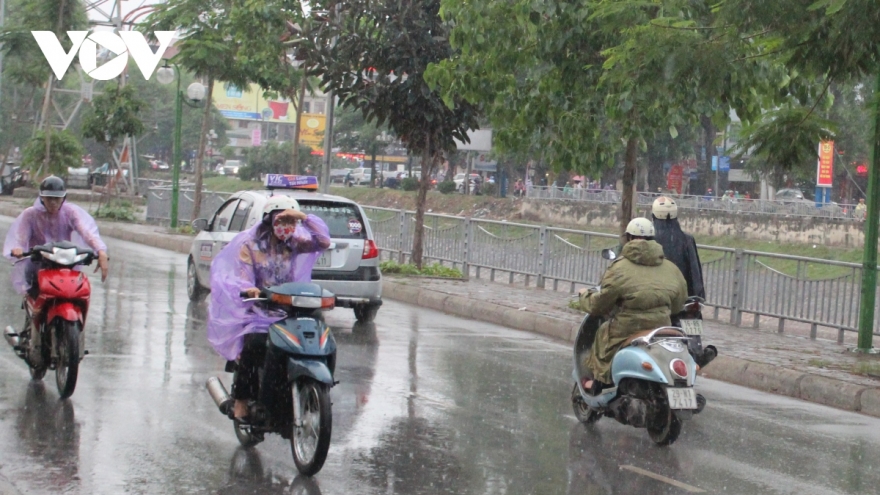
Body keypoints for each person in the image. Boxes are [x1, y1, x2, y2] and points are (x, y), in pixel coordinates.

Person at [207, 195, 331, 421]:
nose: (287, 227)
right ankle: (242, 402)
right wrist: (251, 290)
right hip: (259, 309)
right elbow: (243, 276)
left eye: (291, 222)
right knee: (254, 344)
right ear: (269, 219)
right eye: (282, 221)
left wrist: (303, 217)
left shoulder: (295, 242)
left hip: (288, 308)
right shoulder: (250, 245)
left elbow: (323, 242)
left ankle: (313, 390)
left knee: (319, 337)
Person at [577, 218, 687, 393]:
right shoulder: (671, 268)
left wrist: (584, 297)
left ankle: (600, 382)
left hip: (627, 329)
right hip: (660, 327)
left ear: (628, 238)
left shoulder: (619, 268)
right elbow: (678, 305)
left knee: (603, 335)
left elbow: (599, 305)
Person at [4, 176, 110, 299]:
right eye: (49, 198)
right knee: (33, 291)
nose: (53, 202)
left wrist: (100, 251)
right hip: (38, 262)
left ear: (63, 198)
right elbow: (21, 237)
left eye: (57, 198)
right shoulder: (31, 214)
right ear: (42, 198)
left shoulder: (70, 212)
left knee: (77, 292)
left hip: (64, 262)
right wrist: (18, 248)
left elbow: (86, 232)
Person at [651, 196, 705, 299]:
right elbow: (694, 273)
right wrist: (697, 297)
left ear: (653, 216)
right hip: (682, 297)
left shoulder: (649, 240)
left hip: (655, 297)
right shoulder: (687, 240)